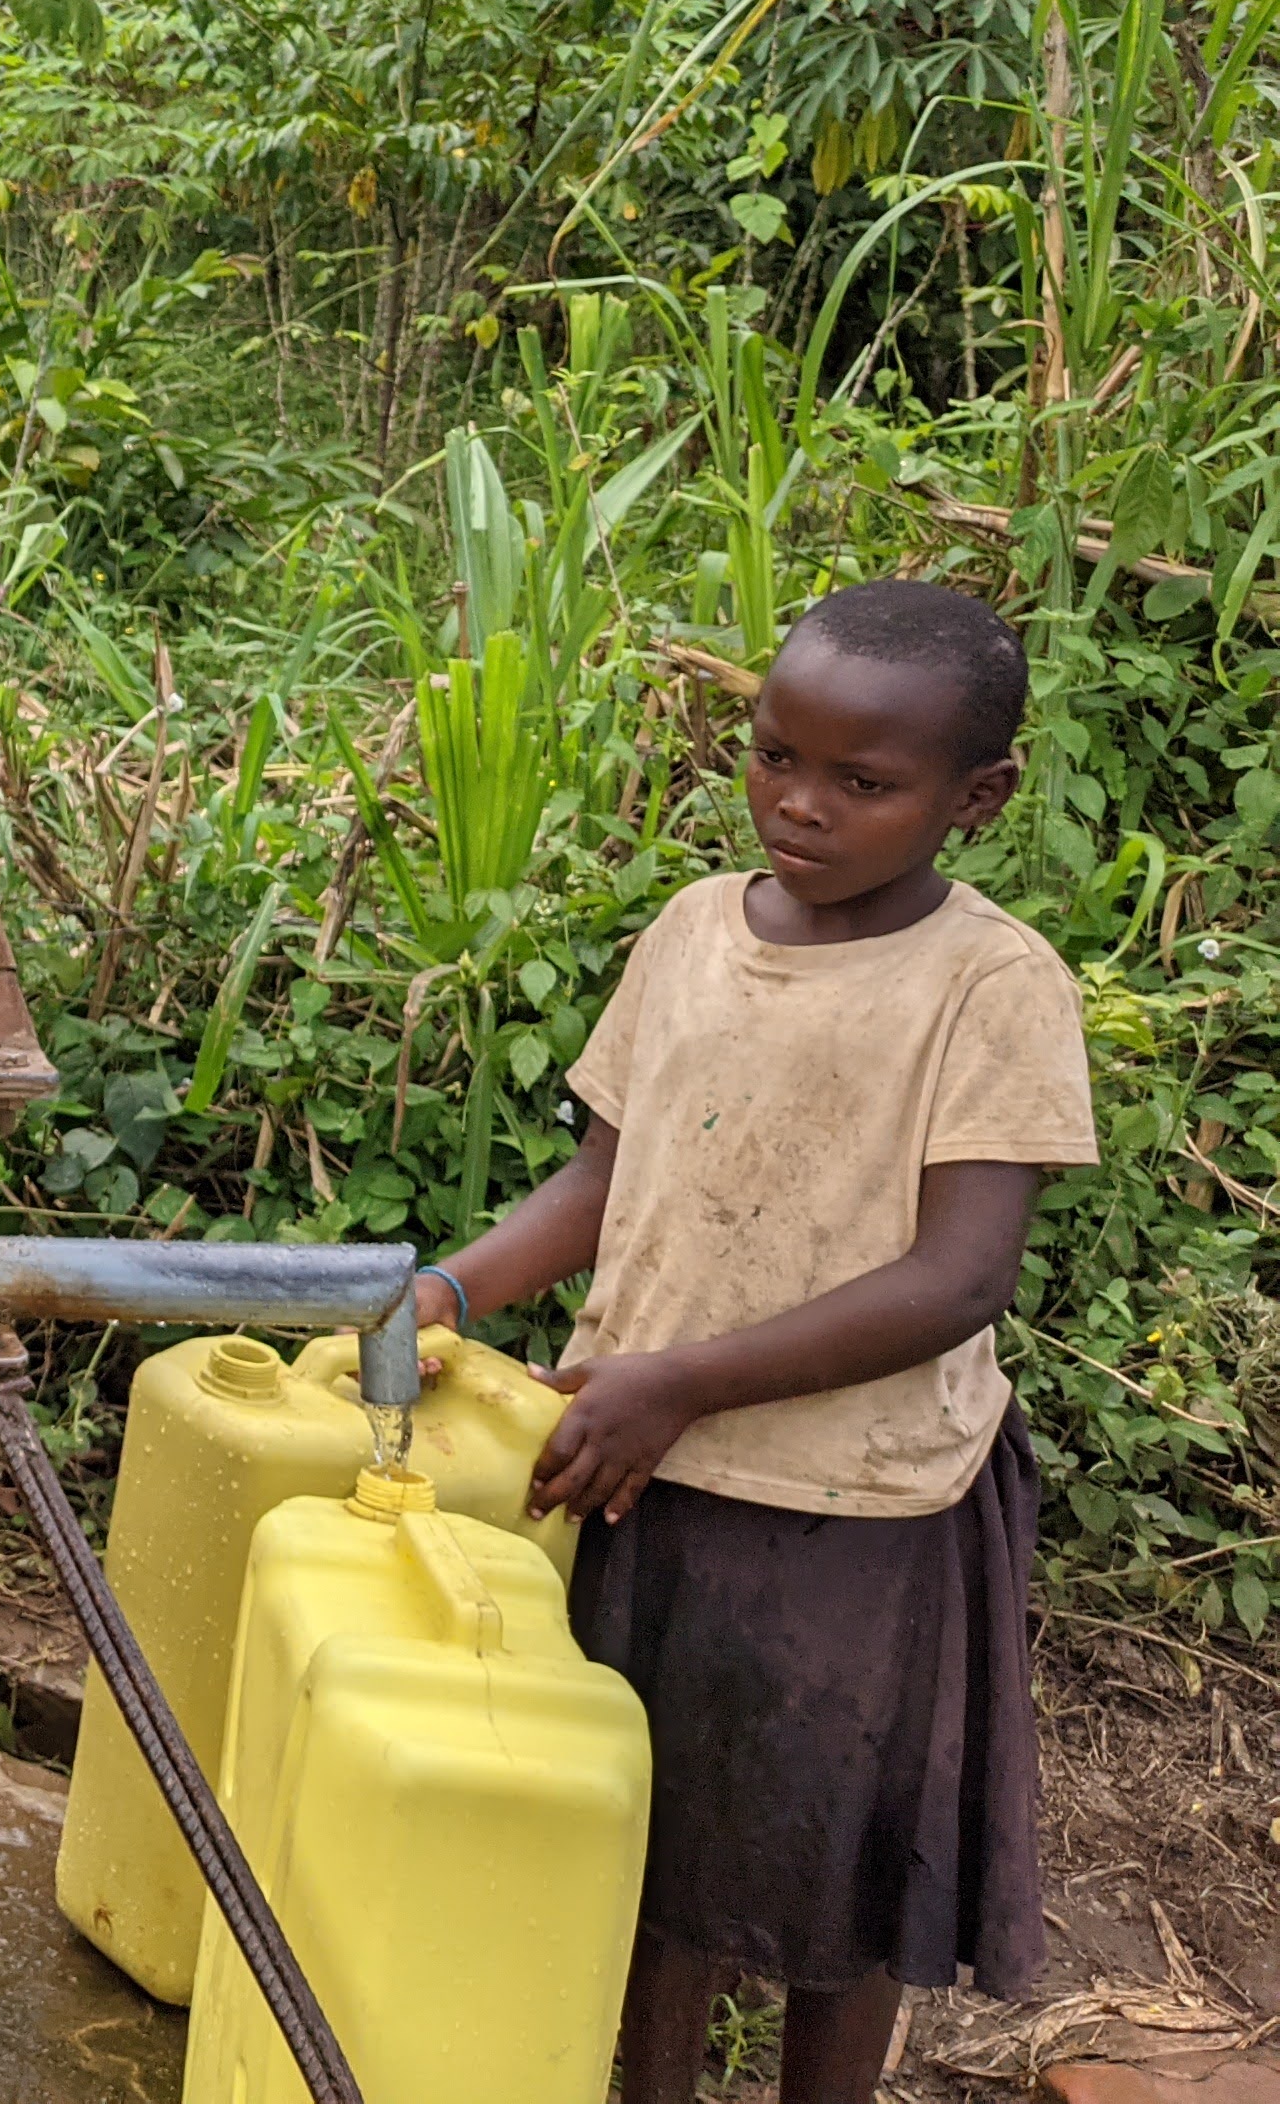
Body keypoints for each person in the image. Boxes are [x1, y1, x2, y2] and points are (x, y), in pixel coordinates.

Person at [410, 578, 1095, 2102]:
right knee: (649, 1851)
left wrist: (682, 1382)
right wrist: (451, 1288)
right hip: (644, 1476)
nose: (800, 804)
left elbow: (960, 1276)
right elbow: (604, 1176)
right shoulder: (691, 933)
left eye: (865, 782)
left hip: (854, 1510)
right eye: (777, 755)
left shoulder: (990, 987)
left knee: (831, 1886)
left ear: (974, 797)